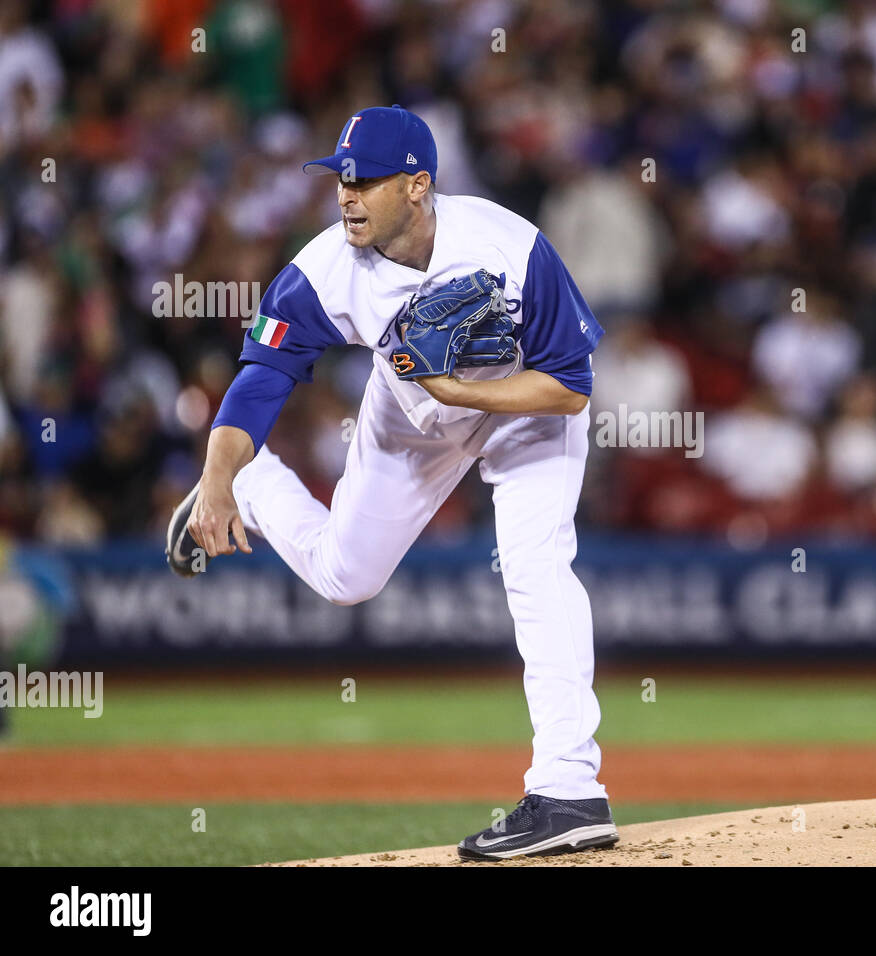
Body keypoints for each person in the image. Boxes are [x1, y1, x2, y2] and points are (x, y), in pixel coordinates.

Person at [166, 105, 617, 860]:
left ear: (417, 185)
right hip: (412, 415)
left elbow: (569, 386)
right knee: (346, 576)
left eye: (365, 180)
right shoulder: (323, 271)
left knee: (537, 566)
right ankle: (256, 485)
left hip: (524, 404)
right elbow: (260, 380)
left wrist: (463, 393)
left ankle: (568, 790)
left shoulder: (512, 248)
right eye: (340, 179)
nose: (346, 195)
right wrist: (219, 476)